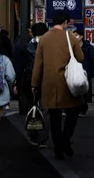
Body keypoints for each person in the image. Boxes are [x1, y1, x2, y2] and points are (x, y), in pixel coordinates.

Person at [31, 11, 84, 160]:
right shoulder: (71, 37)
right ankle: (66, 139)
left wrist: (34, 83)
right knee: (73, 112)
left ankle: (58, 148)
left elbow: (38, 64)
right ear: (65, 23)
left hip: (49, 83)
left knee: (54, 116)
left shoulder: (44, 39)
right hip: (67, 82)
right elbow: (80, 57)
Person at [74, 30, 94, 117]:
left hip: (86, 72)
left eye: (76, 35)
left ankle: (83, 109)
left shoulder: (88, 48)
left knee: (84, 92)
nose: (75, 37)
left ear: (81, 36)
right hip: (74, 72)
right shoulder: (71, 47)